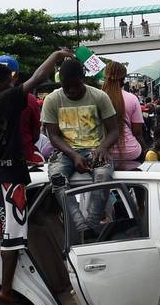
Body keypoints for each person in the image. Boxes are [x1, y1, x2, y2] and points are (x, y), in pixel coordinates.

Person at [0, 49, 71, 303]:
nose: (14, 84)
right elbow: (37, 78)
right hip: (8, 178)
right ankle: (6, 290)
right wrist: (55, 56)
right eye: (10, 80)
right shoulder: (5, 99)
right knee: (11, 236)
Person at [41, 59, 120, 234]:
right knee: (57, 179)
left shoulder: (99, 96)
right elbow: (52, 135)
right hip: (65, 152)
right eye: (66, 86)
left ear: (83, 79)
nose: (71, 90)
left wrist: (102, 148)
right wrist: (73, 155)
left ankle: (90, 225)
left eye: (75, 85)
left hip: (95, 150)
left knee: (103, 177)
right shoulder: (52, 100)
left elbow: (114, 130)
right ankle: (80, 225)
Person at [101, 61, 145, 169]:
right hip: (131, 152)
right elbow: (137, 131)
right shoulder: (132, 98)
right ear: (123, 79)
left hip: (103, 154)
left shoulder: (97, 97)